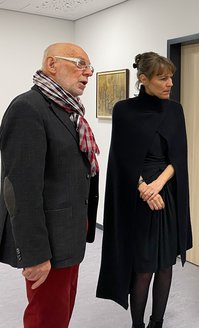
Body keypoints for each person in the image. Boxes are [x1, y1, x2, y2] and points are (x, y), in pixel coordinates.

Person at [0, 42, 99, 328]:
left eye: (89, 67)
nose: (88, 73)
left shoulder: (67, 110)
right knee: (46, 318)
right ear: (52, 65)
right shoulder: (28, 109)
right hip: (48, 244)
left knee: (61, 312)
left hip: (69, 235)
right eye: (80, 64)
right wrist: (35, 254)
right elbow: (20, 190)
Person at [96, 52, 192, 328]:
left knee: (165, 264)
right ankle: (137, 324)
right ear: (143, 79)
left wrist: (157, 187)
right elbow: (120, 159)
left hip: (166, 193)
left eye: (171, 77)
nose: (170, 83)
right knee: (143, 266)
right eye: (163, 78)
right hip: (137, 197)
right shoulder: (124, 110)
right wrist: (143, 188)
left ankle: (156, 323)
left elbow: (180, 158)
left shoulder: (175, 110)